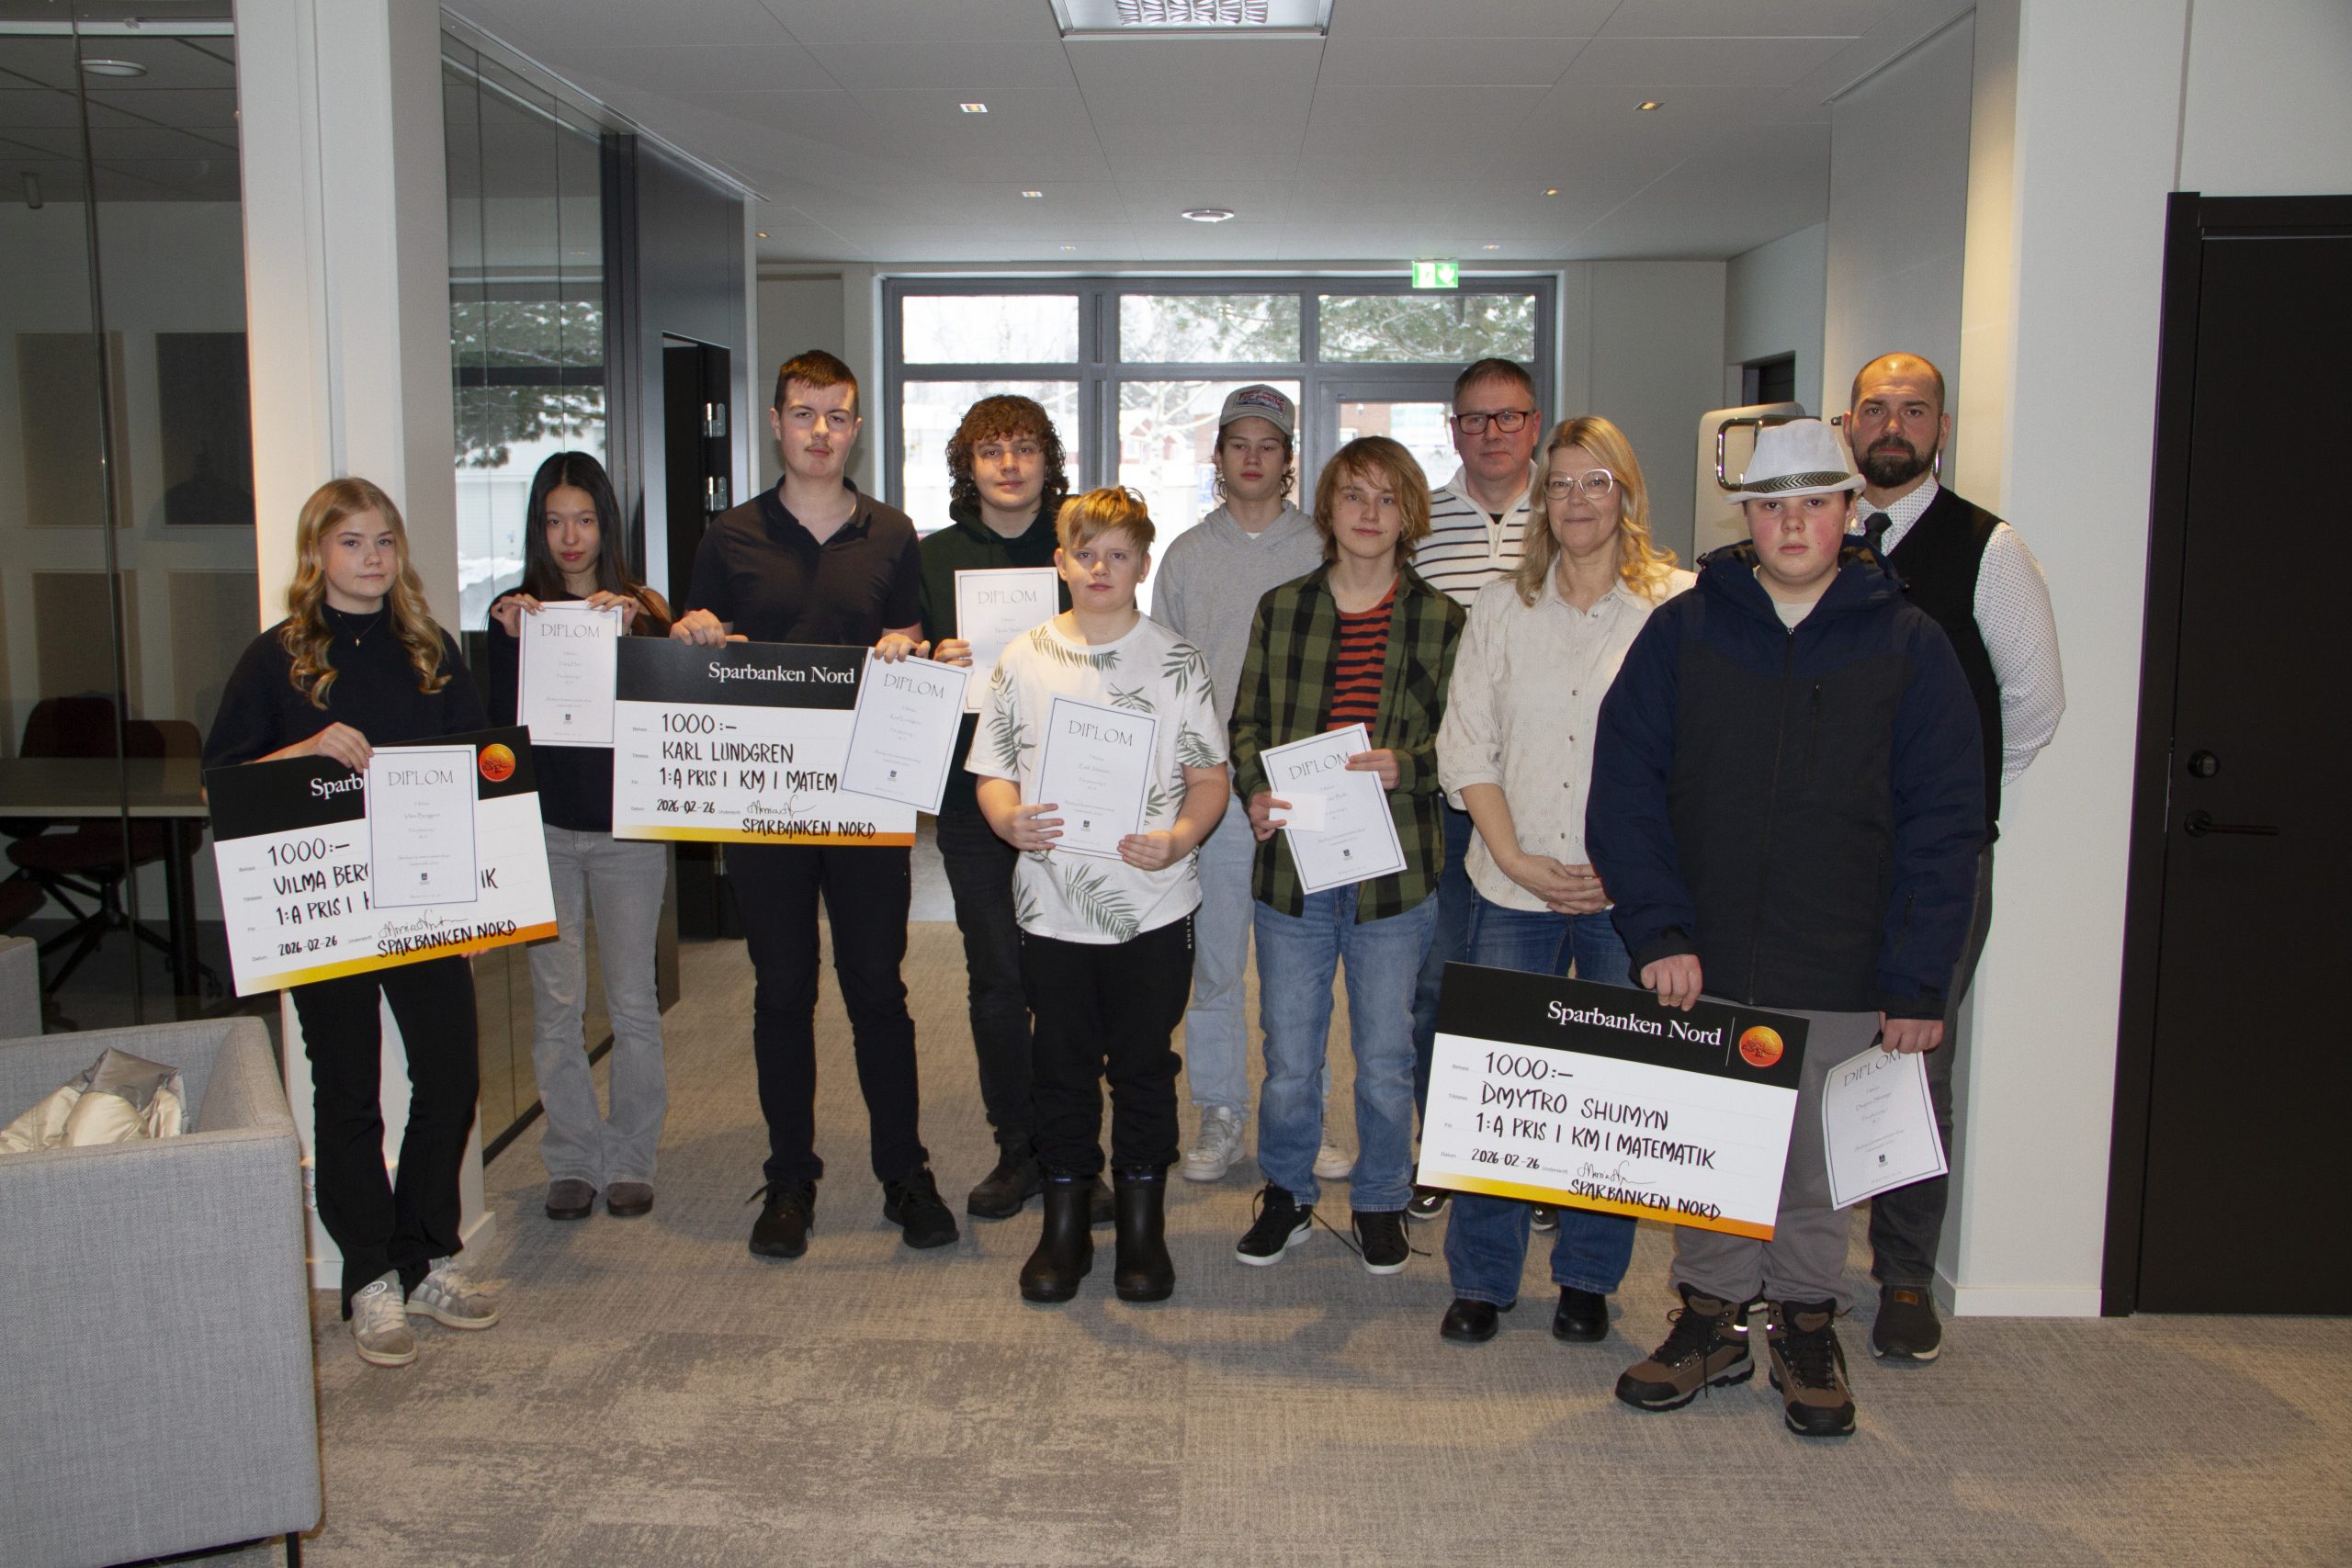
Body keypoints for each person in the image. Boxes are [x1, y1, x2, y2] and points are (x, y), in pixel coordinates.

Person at [1587, 420, 1984, 1438]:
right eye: (1772, 506)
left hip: (1843, 963)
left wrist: (1916, 982)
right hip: (1702, 957)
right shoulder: (1684, 631)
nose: (1793, 524)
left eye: (1814, 503)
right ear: (1748, 518)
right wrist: (1658, 932)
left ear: (1850, 512)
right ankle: (1711, 1322)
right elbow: (1624, 788)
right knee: (1709, 1161)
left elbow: (1945, 825)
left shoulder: (1909, 642)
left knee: (1813, 1169)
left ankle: (1806, 1325)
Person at [205, 477, 498, 1369]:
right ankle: (369, 1273)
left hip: (422, 899)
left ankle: (425, 1253)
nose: (372, 558)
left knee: (450, 1074)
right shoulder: (277, 660)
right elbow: (222, 783)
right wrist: (302, 748)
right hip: (324, 908)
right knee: (347, 1090)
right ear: (317, 554)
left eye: (384, 542)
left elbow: (480, 764)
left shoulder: (431, 649)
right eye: (352, 542)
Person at [673, 349, 959, 1261]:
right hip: (767, 802)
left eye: (837, 415)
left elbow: (911, 634)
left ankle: (904, 1174)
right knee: (782, 991)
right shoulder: (729, 536)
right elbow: (696, 644)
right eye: (804, 414)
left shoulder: (893, 532)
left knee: (879, 988)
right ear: (775, 423)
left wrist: (909, 645)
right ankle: (790, 1176)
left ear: (857, 427)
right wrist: (692, 633)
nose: (820, 431)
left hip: (867, 798)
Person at [1432, 416, 1693, 1347]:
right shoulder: (1504, 605)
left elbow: (1698, 759)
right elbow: (1465, 745)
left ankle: (1587, 1278)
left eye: (1596, 482)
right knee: (1498, 1089)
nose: (1576, 500)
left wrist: (1634, 873)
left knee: (1611, 1094)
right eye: (1560, 484)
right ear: (1541, 500)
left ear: (1626, 492)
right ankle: (1482, 1278)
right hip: (1514, 883)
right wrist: (1513, 857)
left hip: (1631, 897)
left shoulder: (1678, 607)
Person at [1843, 352, 2065, 1364]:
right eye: (1875, 408)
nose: (1892, 425)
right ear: (1848, 424)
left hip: (1935, 864)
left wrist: (1952, 801)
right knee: (1806, 1047)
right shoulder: (1816, 531)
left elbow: (2034, 704)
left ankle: (1901, 1274)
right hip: (1826, 856)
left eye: (1914, 409)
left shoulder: (1989, 547)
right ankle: (1792, 1260)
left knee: (1913, 1057)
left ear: (1941, 428)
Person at [969, 487, 1230, 1303]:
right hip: (1053, 905)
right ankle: (1067, 1221)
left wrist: (1180, 838)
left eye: (1119, 555)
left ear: (1143, 565)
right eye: (1085, 554)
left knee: (1145, 1066)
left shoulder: (1177, 660)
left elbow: (1210, 780)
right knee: (1061, 1067)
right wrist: (1007, 819)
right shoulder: (1024, 658)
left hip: (1151, 904)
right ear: (1060, 562)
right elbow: (993, 771)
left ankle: (1144, 1227)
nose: (1100, 568)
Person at [1228, 436, 1464, 1276]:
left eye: (1388, 498)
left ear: (1410, 514)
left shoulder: (1442, 619)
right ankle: (1288, 1193)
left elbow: (1467, 742)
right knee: (1290, 1057)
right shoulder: (1283, 607)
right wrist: (1256, 789)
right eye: (1355, 495)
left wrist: (1413, 766)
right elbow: (1247, 723)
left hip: (1395, 876)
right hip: (1294, 870)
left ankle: (1381, 1198)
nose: (1370, 512)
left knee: (1386, 1059)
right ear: (1328, 507)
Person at [1148, 385, 1339, 1187]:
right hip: (1216, 791)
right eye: (1238, 443)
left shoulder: (1325, 546)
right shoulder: (1187, 555)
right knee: (1218, 965)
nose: (1253, 457)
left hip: (1304, 790)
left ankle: (1302, 1116)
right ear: (1219, 456)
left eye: (1268, 444)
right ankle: (1221, 1108)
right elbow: (1160, 675)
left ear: (1288, 458)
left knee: (1303, 973)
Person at [484, 452, 673, 1224]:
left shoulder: (642, 609)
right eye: (555, 521)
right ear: (539, 528)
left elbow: (668, 723)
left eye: (585, 519)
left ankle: (630, 1158)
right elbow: (496, 740)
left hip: (628, 832)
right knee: (556, 1004)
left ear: (606, 526)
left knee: (632, 1001)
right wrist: (509, 640)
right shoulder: (513, 614)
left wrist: (634, 639)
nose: (570, 537)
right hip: (545, 831)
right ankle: (571, 1159)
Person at [914, 394, 1089, 1223]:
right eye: (991, 451)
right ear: (968, 465)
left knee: (1071, 976)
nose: (1010, 464)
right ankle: (1016, 1147)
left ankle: (1074, 1148)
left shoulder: (1078, 546)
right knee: (995, 979)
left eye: (1024, 447)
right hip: (970, 794)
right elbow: (904, 671)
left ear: (1048, 460)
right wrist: (932, 660)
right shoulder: (934, 556)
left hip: (1072, 789)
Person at [1407, 357, 1541, 1224]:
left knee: (1529, 990)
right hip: (1442, 805)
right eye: (1474, 419)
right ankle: (1444, 1146)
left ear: (1535, 423)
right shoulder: (1419, 525)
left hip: (1544, 799)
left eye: (1508, 416)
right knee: (1438, 984)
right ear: (1452, 429)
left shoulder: (1570, 513)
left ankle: (1533, 1158)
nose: (1491, 433)